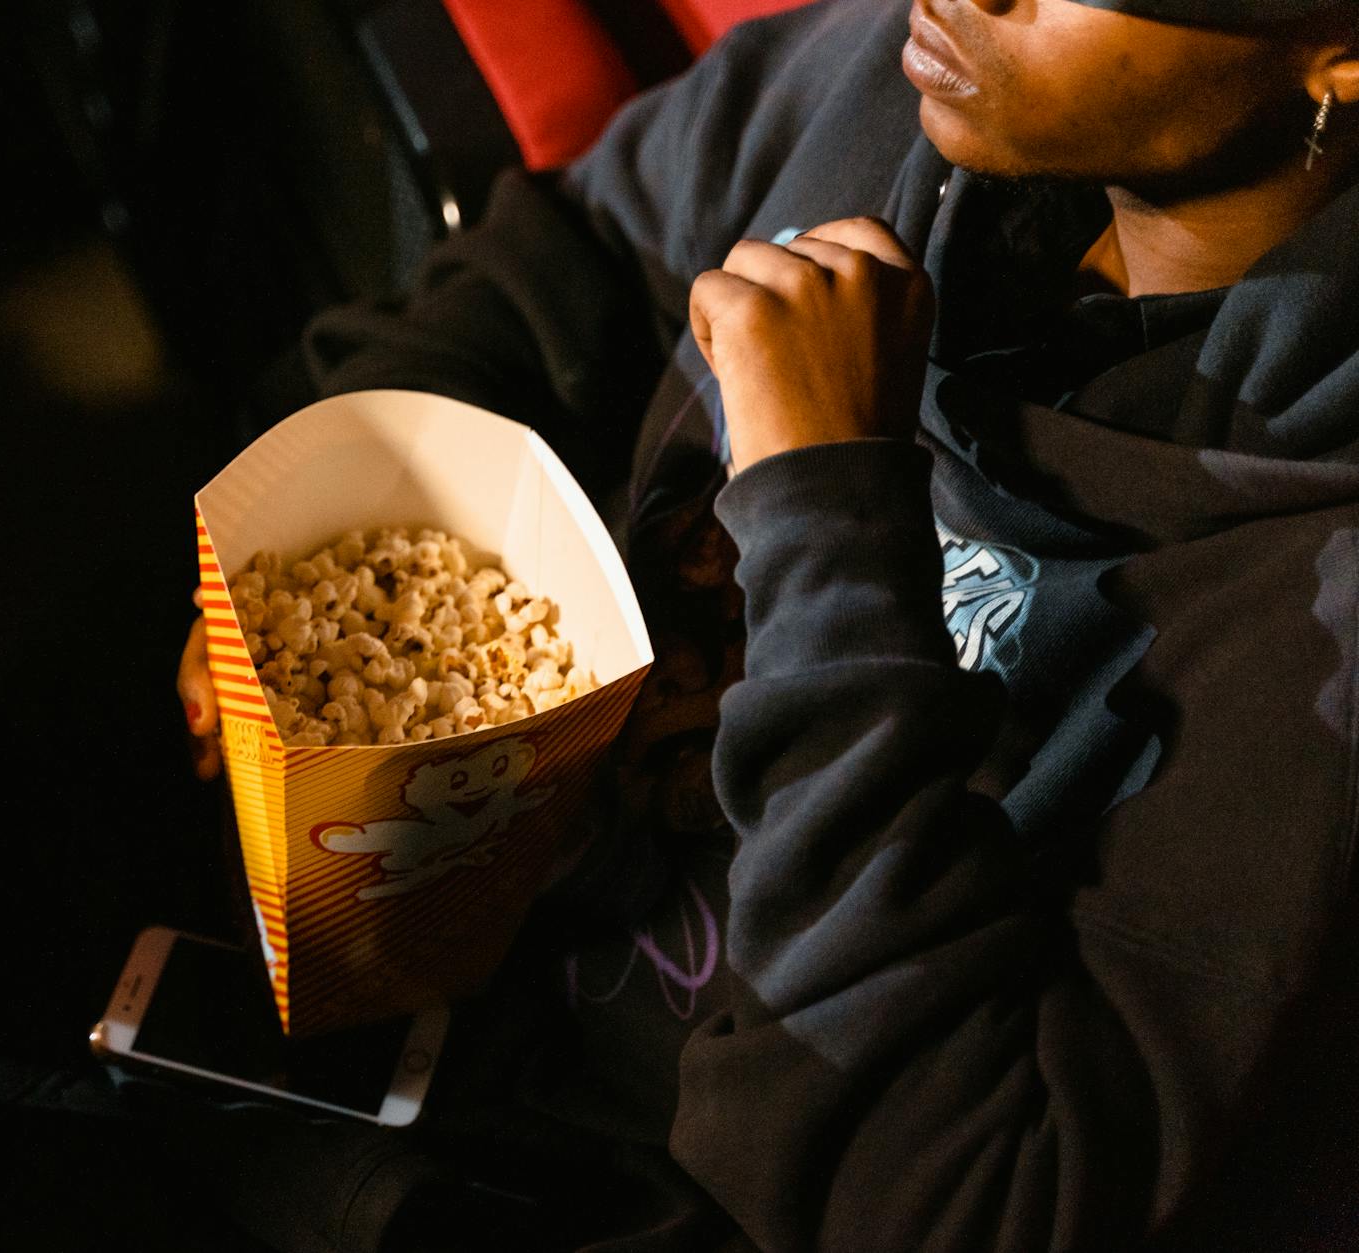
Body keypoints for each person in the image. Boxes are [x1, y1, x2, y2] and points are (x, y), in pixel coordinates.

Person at [177, 0, 1359, 1247]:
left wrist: (825, 504)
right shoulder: (895, 79)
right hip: (389, 969)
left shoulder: (1308, 628)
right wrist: (348, 535)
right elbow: (571, 249)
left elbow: (954, 1198)